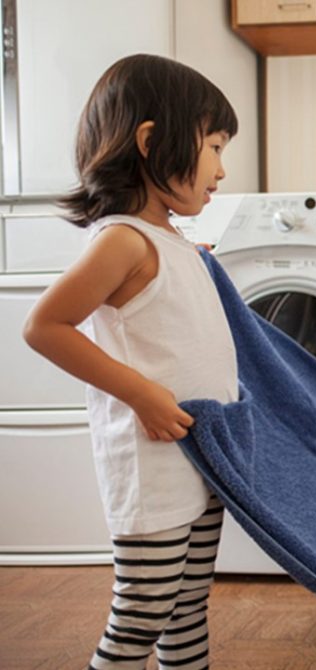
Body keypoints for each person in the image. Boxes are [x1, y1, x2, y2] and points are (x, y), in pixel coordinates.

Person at [22, 54, 238, 670]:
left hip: (201, 456)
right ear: (151, 141)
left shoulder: (172, 239)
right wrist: (140, 392)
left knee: (189, 607)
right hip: (154, 467)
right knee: (143, 613)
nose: (222, 168)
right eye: (215, 146)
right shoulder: (123, 239)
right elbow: (44, 327)